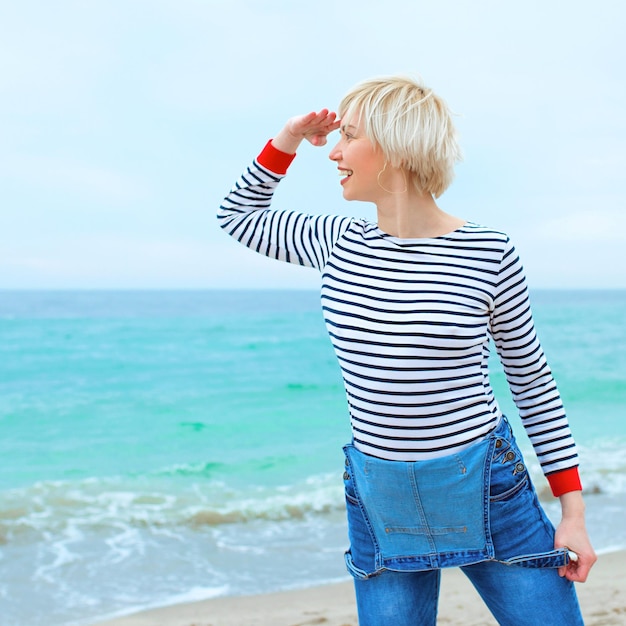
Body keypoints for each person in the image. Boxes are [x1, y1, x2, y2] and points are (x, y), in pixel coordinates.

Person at [217, 75, 596, 625]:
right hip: (380, 497)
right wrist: (288, 139)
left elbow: (531, 381)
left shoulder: (488, 251)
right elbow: (238, 216)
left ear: (395, 149)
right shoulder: (337, 241)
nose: (336, 152)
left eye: (349, 136)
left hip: (489, 489)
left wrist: (573, 512)